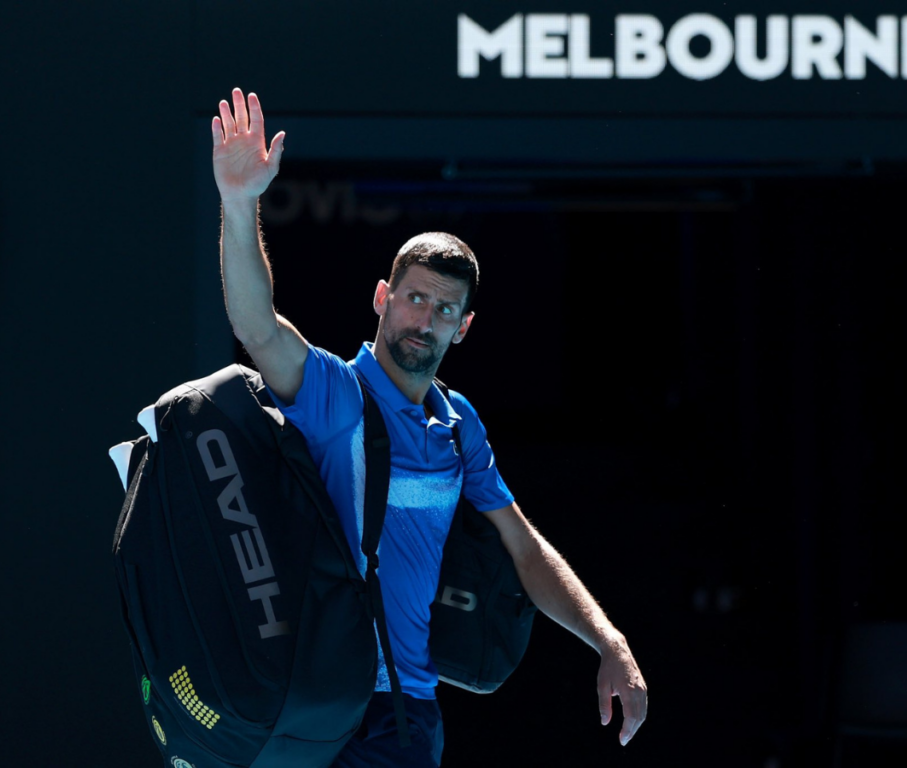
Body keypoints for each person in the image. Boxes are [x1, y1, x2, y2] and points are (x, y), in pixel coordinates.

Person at [211, 87, 648, 767]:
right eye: (414, 298)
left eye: (444, 310)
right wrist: (240, 203)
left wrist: (608, 641)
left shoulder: (458, 422)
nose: (425, 320)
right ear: (384, 298)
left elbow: (524, 548)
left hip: (406, 717)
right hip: (316, 703)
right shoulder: (335, 392)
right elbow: (256, 327)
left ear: (464, 326)